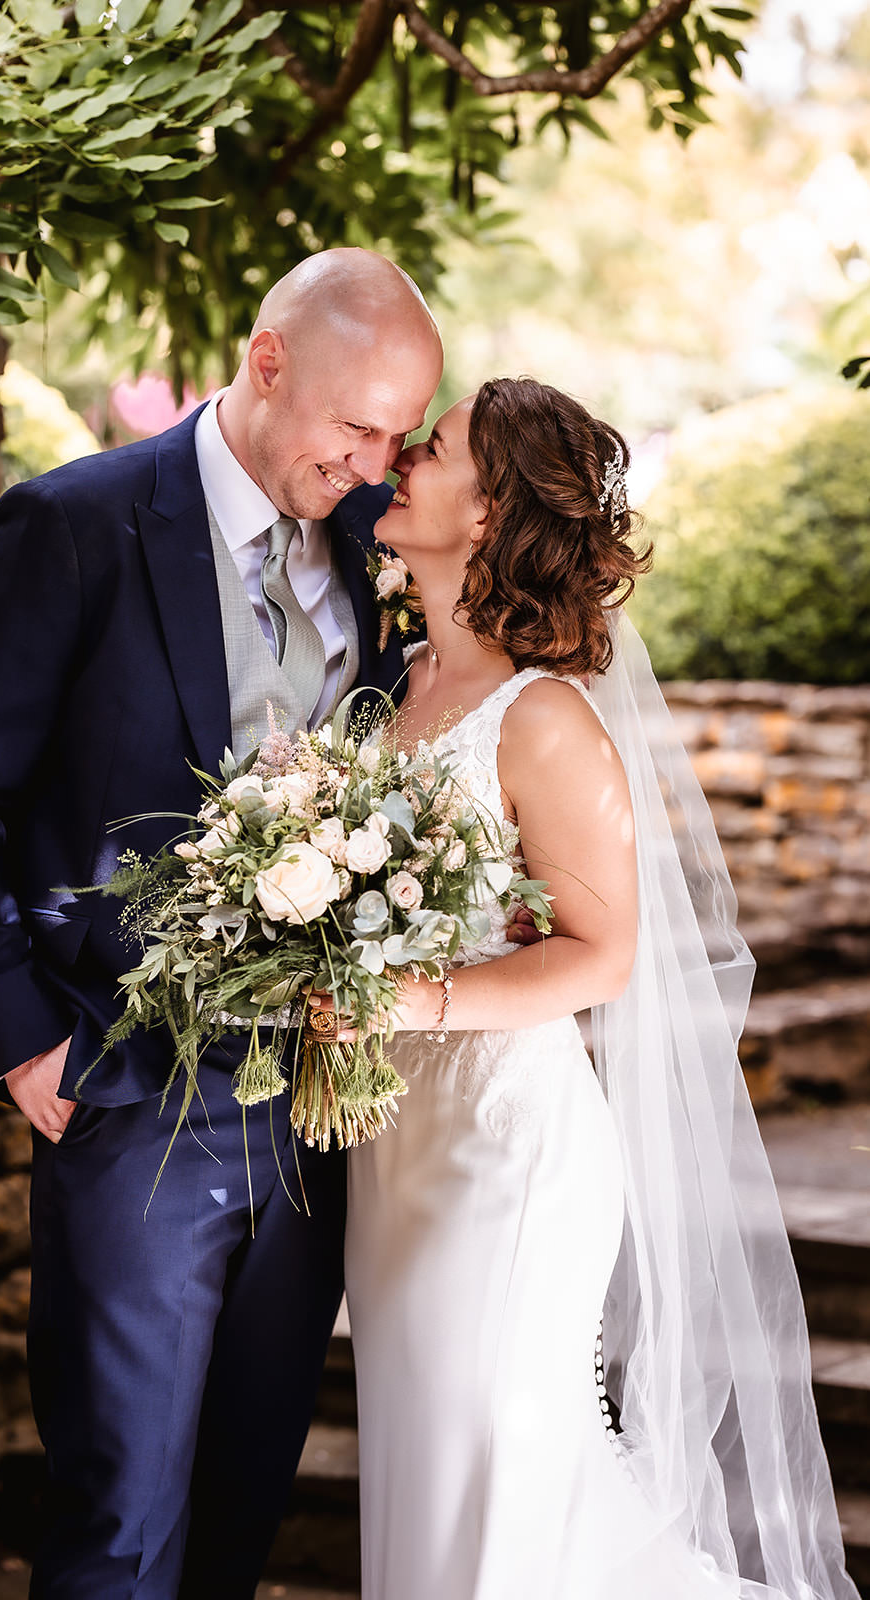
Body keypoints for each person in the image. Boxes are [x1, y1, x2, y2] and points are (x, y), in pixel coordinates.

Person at [0, 248, 443, 1598]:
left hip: (314, 1113)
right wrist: (20, 1040)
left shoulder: (375, 550)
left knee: (237, 1511)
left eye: (397, 433)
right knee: (119, 1522)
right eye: (353, 425)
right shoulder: (71, 525)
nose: (376, 462)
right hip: (131, 1097)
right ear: (266, 365)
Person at [331, 377, 858, 1600]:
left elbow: (599, 952)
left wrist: (412, 1000)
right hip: (393, 1148)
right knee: (430, 1472)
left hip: (502, 1155)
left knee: (507, 1485)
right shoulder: (389, 685)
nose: (402, 453)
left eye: (439, 445)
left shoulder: (544, 718)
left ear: (489, 511)